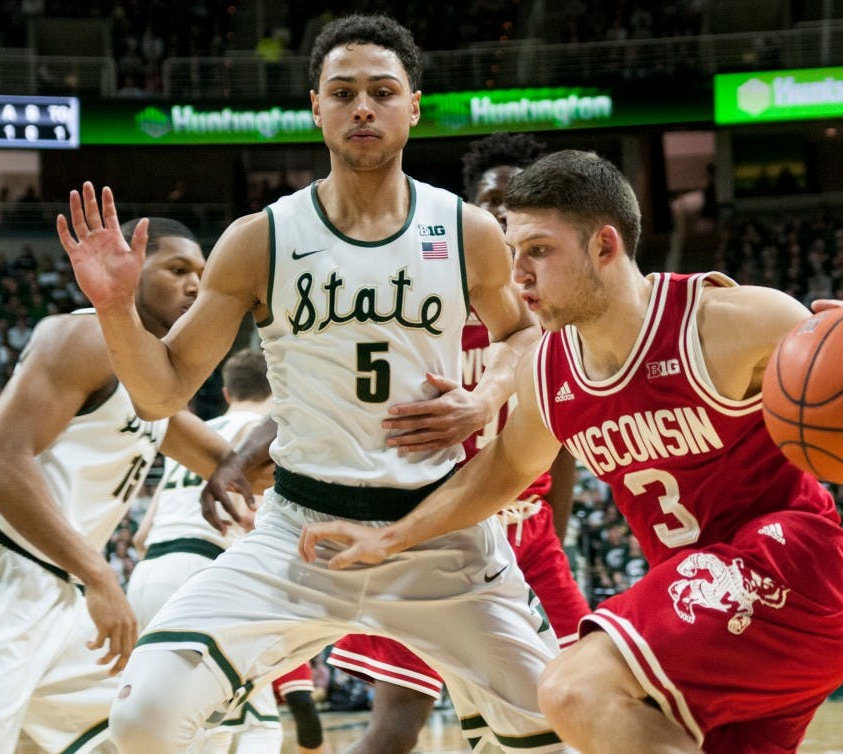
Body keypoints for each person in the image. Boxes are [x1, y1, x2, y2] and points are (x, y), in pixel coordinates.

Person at [297, 149, 843, 754]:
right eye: (509, 252)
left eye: (537, 251)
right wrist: (390, 538)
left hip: (789, 568)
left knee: (573, 688)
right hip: (720, 618)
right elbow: (499, 473)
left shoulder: (726, 323)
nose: (517, 274)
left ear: (604, 245)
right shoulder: (550, 372)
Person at [59, 13, 563, 754]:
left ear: (413, 106)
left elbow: (526, 334)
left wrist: (484, 396)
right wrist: (113, 309)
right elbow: (161, 393)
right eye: (344, 91)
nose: (364, 106)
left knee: (565, 728)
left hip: (439, 536)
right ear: (315, 106)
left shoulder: (465, 231)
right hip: (299, 536)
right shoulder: (260, 238)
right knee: (144, 718)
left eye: (383, 91)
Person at [324, 132, 591, 754]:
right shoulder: (421, 296)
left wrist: (553, 529)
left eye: (518, 203)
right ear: (470, 210)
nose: (502, 215)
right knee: (398, 722)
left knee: (577, 699)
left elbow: (565, 440)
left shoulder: (554, 315)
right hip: (432, 530)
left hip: (529, 533)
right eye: (491, 203)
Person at [0, 217, 255, 753]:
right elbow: (1, 457)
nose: (194, 286)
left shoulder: (150, 383)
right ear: (130, 270)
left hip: (60, 593)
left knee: (136, 727)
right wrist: (99, 576)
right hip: (13, 574)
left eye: (202, 275)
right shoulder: (85, 334)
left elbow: (234, 463)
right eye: (177, 268)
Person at [127, 348, 323, 754]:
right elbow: (257, 520)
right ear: (277, 389)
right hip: (203, 573)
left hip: (146, 577)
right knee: (255, 722)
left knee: (176, 720)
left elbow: (140, 536)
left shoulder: (195, 432)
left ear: (227, 393)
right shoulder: (271, 435)